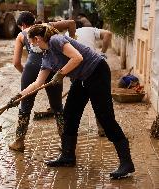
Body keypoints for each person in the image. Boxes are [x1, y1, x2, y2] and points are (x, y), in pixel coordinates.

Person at [8, 24, 135, 179]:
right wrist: (18, 97)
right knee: (69, 115)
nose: (32, 46)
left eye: (32, 43)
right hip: (81, 79)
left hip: (97, 72)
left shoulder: (56, 40)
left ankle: (126, 162)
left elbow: (77, 57)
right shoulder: (47, 55)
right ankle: (67, 157)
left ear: (38, 38)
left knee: (105, 118)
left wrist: (60, 73)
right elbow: (37, 83)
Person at [8, 11, 76, 152]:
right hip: (53, 68)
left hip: (31, 69)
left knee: (25, 105)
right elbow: (71, 23)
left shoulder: (22, 35)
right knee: (57, 106)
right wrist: (73, 38)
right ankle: (64, 143)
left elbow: (16, 63)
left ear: (23, 25)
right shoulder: (48, 27)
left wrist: (26, 75)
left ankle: (19, 142)